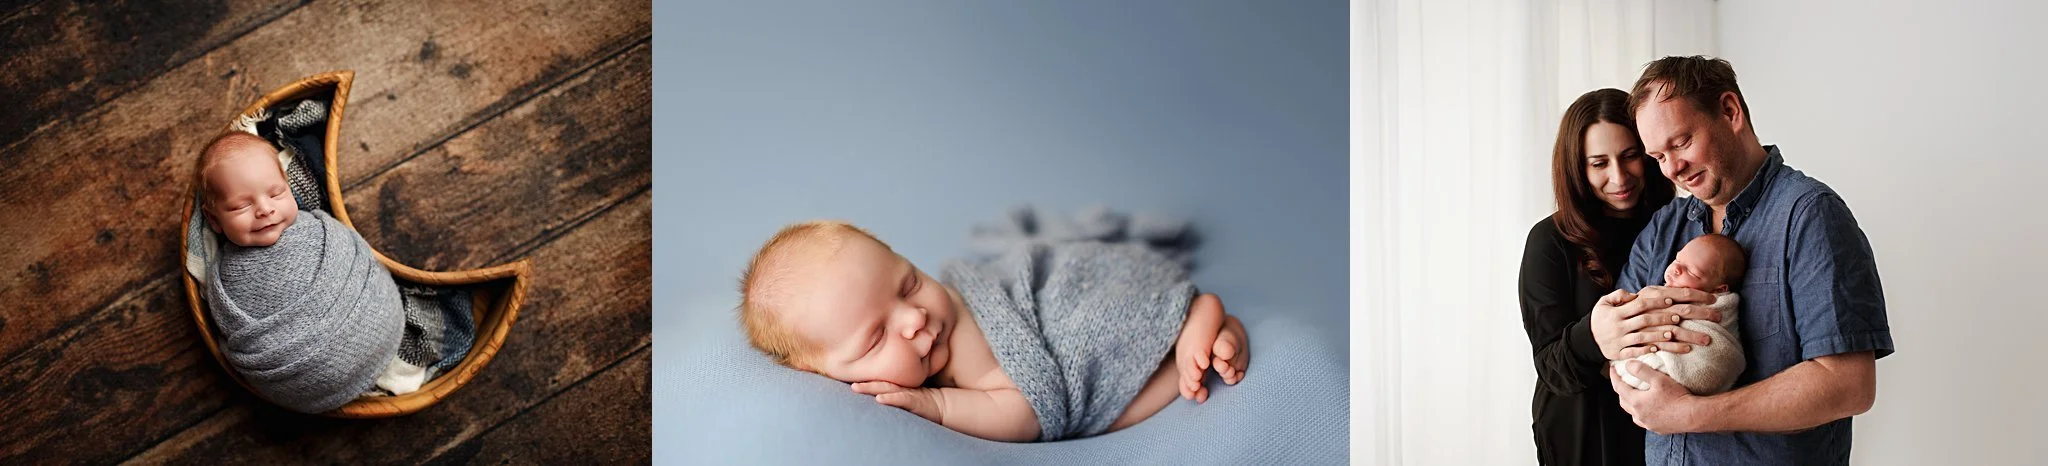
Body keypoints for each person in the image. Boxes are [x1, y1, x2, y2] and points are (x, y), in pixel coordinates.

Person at [1590, 55, 1894, 465]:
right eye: (1659, 157)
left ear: (1730, 111)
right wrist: (1605, 332)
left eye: (1681, 143)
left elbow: (1849, 384)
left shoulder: (1809, 216)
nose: (1673, 169)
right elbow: (1621, 344)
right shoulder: (1665, 228)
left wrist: (1690, 414)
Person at [736, 220, 1250, 441]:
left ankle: (1184, 319)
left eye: (910, 284)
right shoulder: (834, 364)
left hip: (1086, 306)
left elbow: (1027, 411)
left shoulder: (960, 340)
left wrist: (940, 406)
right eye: (876, 338)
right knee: (1159, 393)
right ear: (818, 370)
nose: (916, 320)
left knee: (1103, 412)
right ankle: (1194, 337)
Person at [1519, 88, 1678, 465]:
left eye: (1629, 156)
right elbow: (1550, 364)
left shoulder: (1675, 226)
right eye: (1599, 163)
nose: (1619, 176)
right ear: (1577, 168)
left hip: (1669, 423)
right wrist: (1597, 336)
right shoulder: (1549, 241)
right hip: (1583, 433)